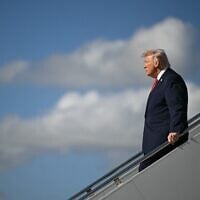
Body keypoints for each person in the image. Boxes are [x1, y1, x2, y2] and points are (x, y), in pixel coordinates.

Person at [139, 49, 188, 171]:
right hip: (154, 144)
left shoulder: (171, 79)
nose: (144, 66)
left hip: (164, 142)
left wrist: (176, 129)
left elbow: (177, 106)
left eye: (146, 62)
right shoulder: (161, 81)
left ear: (156, 63)